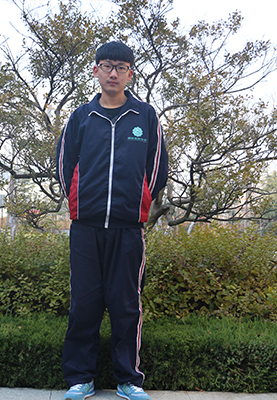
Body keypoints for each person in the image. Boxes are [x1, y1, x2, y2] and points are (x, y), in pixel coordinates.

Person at [56, 41, 168, 400]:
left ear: (130, 73)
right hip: (86, 227)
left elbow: (157, 167)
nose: (113, 73)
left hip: (127, 228)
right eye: (106, 66)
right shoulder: (81, 117)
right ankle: (80, 378)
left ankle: (129, 379)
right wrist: (78, 202)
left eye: (121, 67)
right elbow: (64, 163)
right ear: (96, 71)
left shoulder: (145, 116)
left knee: (126, 305)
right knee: (84, 304)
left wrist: (140, 202)